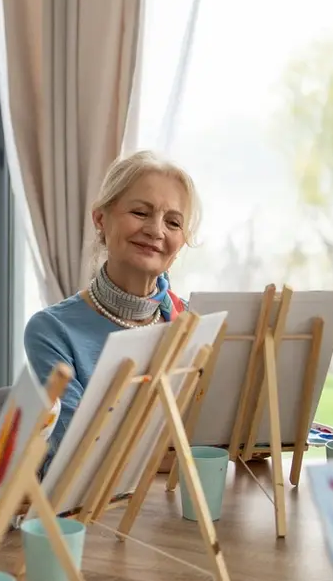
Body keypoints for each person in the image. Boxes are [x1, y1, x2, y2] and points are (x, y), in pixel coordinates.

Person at [23, 150, 200, 470]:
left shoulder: (192, 320)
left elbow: (216, 439)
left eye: (172, 222)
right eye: (140, 212)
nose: (156, 231)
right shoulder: (50, 330)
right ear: (101, 219)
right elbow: (78, 452)